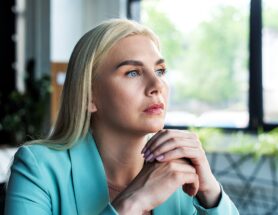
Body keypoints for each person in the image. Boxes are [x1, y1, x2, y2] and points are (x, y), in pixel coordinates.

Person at [5, 19, 239, 215]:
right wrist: (133, 202)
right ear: (89, 96)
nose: (157, 85)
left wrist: (211, 193)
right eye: (133, 72)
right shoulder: (38, 167)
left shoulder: (180, 174)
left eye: (160, 71)